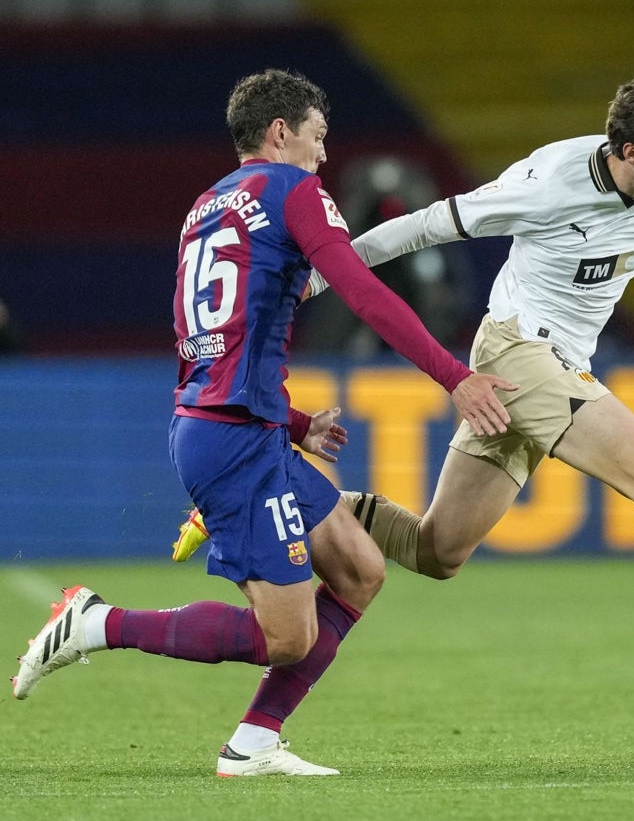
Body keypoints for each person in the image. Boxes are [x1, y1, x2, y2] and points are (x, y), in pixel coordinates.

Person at [177, 68, 634, 728]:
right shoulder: (547, 184)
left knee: (439, 552)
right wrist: (318, 280)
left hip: (556, 365)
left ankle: (273, 497)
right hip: (519, 350)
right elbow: (422, 227)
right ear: (630, 153)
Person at [11, 68, 515, 776]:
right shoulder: (291, 190)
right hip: (235, 442)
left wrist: (296, 420)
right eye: (317, 137)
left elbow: (208, 338)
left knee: (361, 569)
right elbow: (362, 292)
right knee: (287, 636)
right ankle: (96, 623)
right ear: (282, 133)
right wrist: (453, 376)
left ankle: (251, 743)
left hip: (238, 428)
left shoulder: (205, 207)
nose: (323, 154)